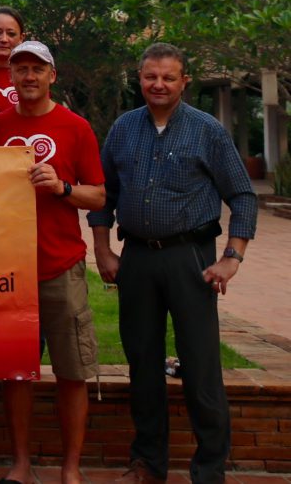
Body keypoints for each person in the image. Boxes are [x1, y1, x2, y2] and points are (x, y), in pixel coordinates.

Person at [88, 43, 257, 484]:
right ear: (138, 78)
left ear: (184, 81)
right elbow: (103, 195)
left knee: (200, 369)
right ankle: (147, 463)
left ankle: (209, 470)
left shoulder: (207, 131)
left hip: (191, 259)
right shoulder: (123, 129)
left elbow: (241, 195)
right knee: (143, 365)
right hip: (138, 259)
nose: (157, 84)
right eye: (150, 76)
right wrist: (103, 250)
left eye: (167, 77)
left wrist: (232, 257)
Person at [0, 41, 105, 484]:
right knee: (16, 373)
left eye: (37, 69)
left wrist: (61, 187)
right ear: (12, 77)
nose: (28, 77)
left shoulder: (75, 128)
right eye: (20, 69)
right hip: (10, 268)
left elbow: (98, 194)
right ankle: (20, 464)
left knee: (72, 372)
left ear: (52, 76)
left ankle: (70, 468)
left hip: (61, 265)